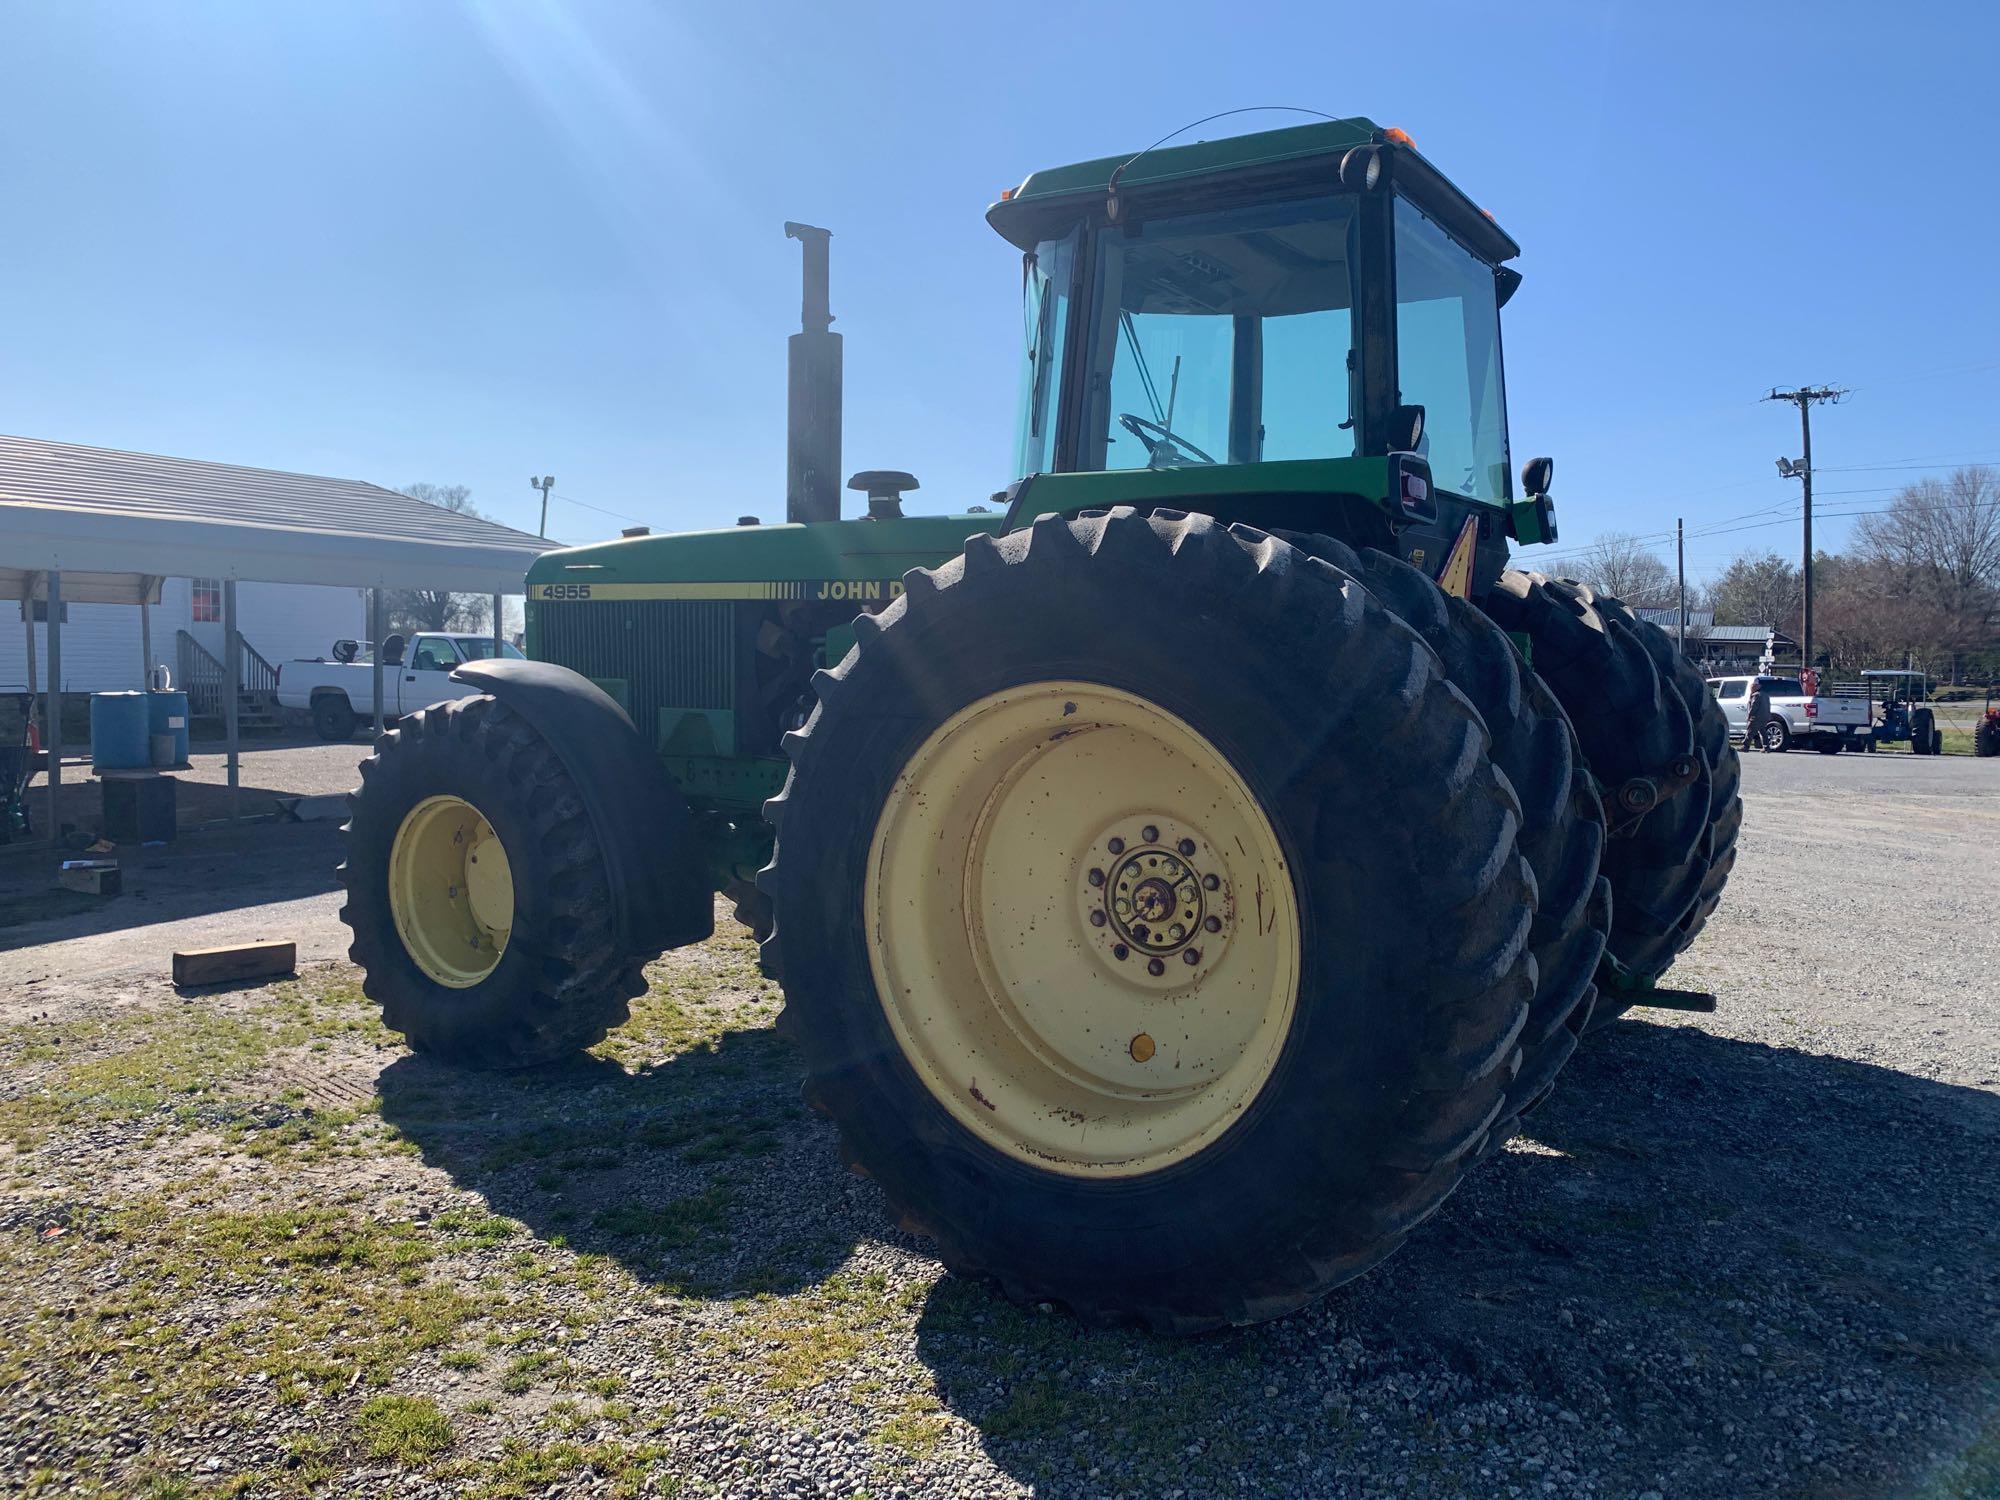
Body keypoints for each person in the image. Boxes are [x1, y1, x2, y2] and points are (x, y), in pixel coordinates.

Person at [1746, 678, 1775, 752]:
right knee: (1762, 732)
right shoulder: (1765, 695)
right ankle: (1766, 747)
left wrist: (1749, 716)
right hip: (1765, 717)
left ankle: (1745, 746)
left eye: (1752, 686)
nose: (1751, 687)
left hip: (1756, 717)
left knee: (1750, 730)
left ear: (1757, 686)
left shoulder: (1756, 695)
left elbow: (1753, 707)